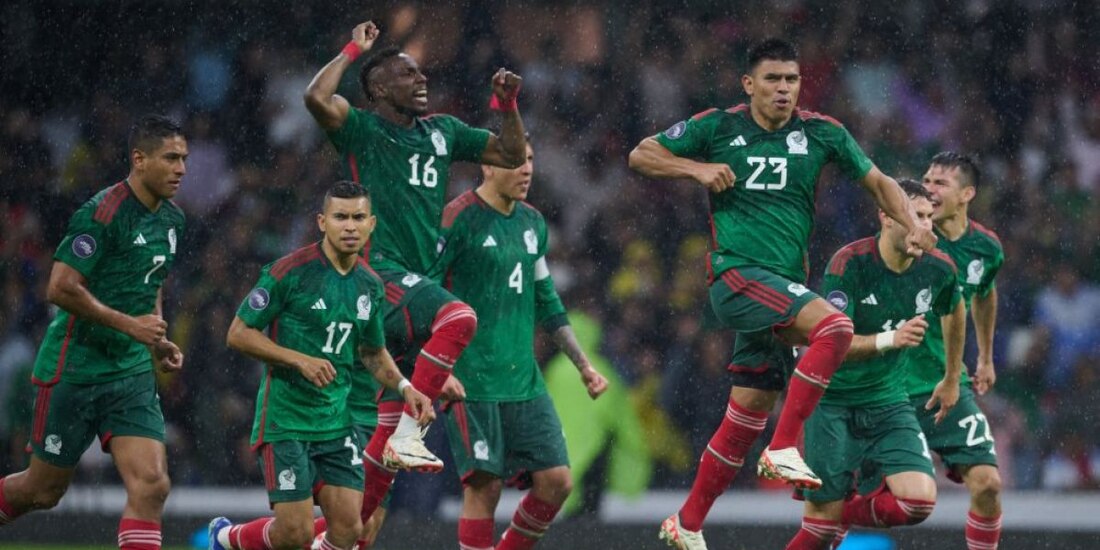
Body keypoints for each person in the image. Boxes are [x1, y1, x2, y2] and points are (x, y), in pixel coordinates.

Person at [627, 38, 937, 549]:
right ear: (749, 84)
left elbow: (880, 182)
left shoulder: (821, 133)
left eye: (792, 79)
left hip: (780, 289)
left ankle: (687, 521)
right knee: (835, 326)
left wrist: (913, 222)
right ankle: (784, 447)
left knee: (746, 414)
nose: (784, 89)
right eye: (772, 79)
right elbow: (642, 154)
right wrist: (697, 169)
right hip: (738, 276)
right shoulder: (718, 127)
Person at [303, 19, 527, 530]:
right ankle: (409, 434)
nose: (421, 79)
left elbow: (511, 154)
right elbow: (316, 97)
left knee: (370, 505)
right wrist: (353, 49)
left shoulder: (443, 132)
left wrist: (508, 105)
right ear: (380, 89)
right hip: (377, 276)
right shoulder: (363, 130)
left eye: (420, 73)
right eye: (407, 74)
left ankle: (244, 539)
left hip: (414, 290)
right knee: (460, 317)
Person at [207, 181, 434, 550]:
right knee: (295, 534)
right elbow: (238, 333)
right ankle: (226, 537)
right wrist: (299, 360)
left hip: (335, 424)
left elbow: (372, 352)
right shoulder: (290, 272)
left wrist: (406, 387)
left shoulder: (370, 285)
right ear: (321, 222)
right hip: (286, 421)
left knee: (351, 528)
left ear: (371, 224)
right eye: (340, 217)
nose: (350, 226)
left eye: (358, 217)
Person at [0, 114, 187, 550]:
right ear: (139, 159)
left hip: (130, 372)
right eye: (170, 158)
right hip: (76, 368)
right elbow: (60, 287)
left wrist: (157, 340)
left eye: (184, 159)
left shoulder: (173, 220)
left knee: (153, 484)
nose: (181, 169)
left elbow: (151, 281)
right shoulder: (102, 213)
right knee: (42, 491)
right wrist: (130, 325)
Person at [431, 142, 609, 550]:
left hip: (523, 380)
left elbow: (547, 300)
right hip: (472, 379)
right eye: (514, 161)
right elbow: (424, 294)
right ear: (487, 167)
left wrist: (583, 365)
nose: (526, 169)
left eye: (530, 159)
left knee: (557, 481)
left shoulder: (532, 222)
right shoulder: (458, 219)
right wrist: (438, 367)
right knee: (485, 486)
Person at [785, 179, 964, 550]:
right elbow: (828, 343)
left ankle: (844, 512)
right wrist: (890, 339)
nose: (924, 226)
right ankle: (832, 514)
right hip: (832, 401)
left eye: (928, 218)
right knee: (818, 531)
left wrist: (951, 377)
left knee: (918, 502)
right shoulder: (849, 263)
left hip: (887, 401)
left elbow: (955, 309)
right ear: (886, 216)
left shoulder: (939, 268)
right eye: (915, 216)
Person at [913, 152, 1006, 550]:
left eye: (940, 183)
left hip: (947, 384)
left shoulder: (985, 248)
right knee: (900, 501)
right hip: (889, 384)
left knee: (988, 484)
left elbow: (984, 293)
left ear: (967, 194)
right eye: (926, 181)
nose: (928, 190)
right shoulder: (909, 237)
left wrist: (985, 356)